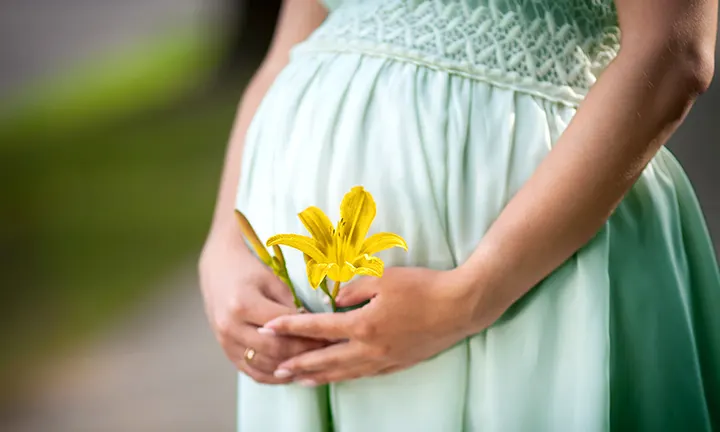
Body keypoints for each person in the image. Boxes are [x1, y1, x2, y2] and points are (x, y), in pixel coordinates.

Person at [199, 0, 720, 430]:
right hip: (314, 344)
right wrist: (222, 245)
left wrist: (472, 295)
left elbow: (672, 53)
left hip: (535, 277)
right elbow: (286, 52)